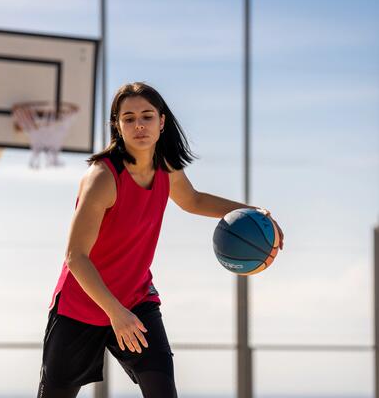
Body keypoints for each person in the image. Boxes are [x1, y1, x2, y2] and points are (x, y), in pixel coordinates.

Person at [37, 82, 284, 398]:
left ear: (162, 121)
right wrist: (115, 312)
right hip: (82, 304)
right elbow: (75, 257)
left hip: (136, 298)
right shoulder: (103, 177)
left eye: (147, 116)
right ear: (117, 125)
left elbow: (192, 200)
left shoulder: (166, 165)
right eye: (128, 118)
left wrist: (253, 212)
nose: (139, 125)